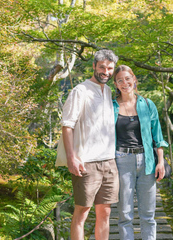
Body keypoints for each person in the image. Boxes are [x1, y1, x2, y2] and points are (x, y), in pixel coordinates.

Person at [56, 49, 119, 240]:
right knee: (82, 212)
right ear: (94, 66)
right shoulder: (80, 91)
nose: (106, 72)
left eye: (110, 68)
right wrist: (71, 157)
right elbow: (67, 125)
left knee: (105, 212)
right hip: (86, 162)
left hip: (109, 161)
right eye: (102, 67)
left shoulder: (108, 91)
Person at [112, 64, 169, 240]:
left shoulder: (147, 104)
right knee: (125, 214)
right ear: (115, 84)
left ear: (134, 79)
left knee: (148, 215)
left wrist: (160, 161)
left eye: (127, 78)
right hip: (121, 160)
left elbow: (157, 136)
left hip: (147, 161)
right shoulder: (111, 106)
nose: (124, 83)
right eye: (120, 80)